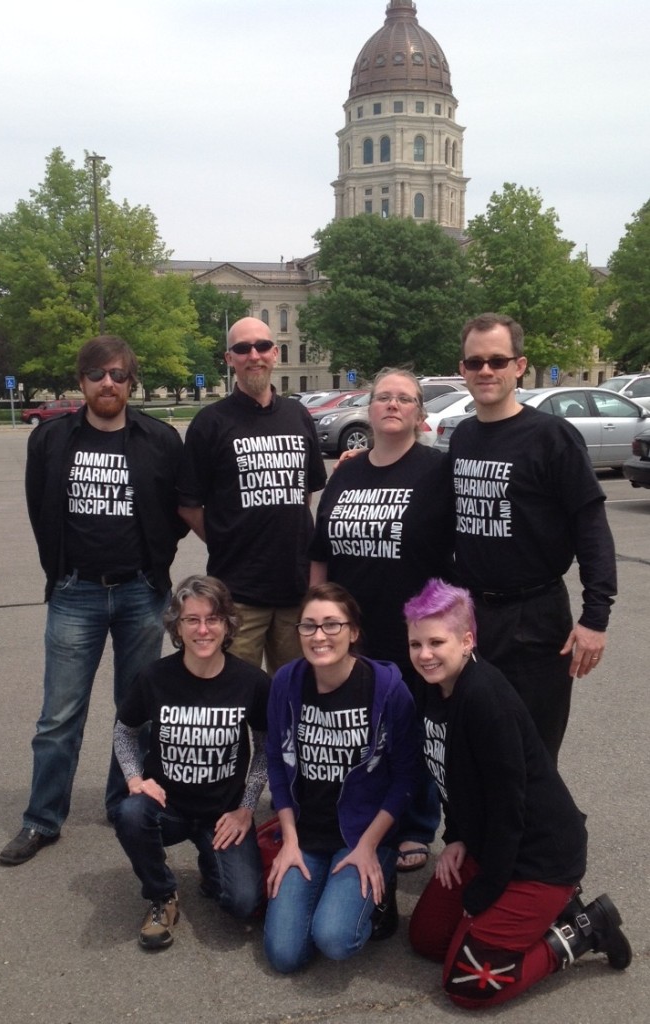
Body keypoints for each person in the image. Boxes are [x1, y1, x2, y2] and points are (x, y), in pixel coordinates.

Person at [0, 335, 187, 867]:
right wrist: (58, 573)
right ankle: (42, 819)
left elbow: (175, 513)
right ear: (81, 381)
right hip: (75, 591)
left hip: (140, 593)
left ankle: (122, 800)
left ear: (132, 382)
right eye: (99, 374)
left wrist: (155, 563)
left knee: (137, 709)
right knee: (59, 715)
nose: (109, 383)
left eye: (120, 375)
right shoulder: (53, 440)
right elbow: (40, 510)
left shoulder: (160, 439)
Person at [404, 578, 631, 1010]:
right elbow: (453, 776)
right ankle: (537, 916)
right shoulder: (433, 687)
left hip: (538, 857)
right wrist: (456, 838)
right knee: (428, 939)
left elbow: (511, 810)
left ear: (468, 639)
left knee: (466, 984)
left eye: (436, 642)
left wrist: (484, 892)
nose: (425, 654)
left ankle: (582, 928)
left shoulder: (486, 698)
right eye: (416, 644)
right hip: (490, 843)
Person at [450, 313, 616, 760]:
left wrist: (595, 618)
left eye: (497, 360)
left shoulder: (551, 437)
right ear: (462, 369)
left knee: (534, 751)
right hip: (474, 618)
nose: (486, 370)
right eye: (476, 362)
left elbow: (592, 528)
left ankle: (550, 831)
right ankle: (485, 831)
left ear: (519, 366)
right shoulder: (463, 436)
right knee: (480, 743)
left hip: (535, 619)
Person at [310, 368, 453, 872]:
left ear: (419, 412)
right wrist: (318, 617)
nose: (393, 405)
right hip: (352, 634)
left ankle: (415, 824)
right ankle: (364, 813)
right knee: (360, 731)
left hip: (412, 635)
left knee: (411, 730)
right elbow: (321, 550)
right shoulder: (346, 472)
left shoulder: (439, 471)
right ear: (368, 409)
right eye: (383, 397)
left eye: (405, 398)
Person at [264, 582, 419, 973]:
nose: (319, 636)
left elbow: (405, 778)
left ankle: (376, 902)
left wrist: (369, 845)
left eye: (332, 625)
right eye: (309, 626)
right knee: (285, 956)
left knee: (334, 940)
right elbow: (277, 765)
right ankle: (330, 898)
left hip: (363, 835)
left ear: (353, 632)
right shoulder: (285, 682)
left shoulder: (387, 690)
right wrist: (290, 841)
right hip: (307, 834)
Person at [112, 575, 269, 950]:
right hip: (167, 807)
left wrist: (246, 810)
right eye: (191, 620)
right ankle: (162, 896)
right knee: (130, 813)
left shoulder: (252, 681)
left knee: (243, 904)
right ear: (177, 627)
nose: (203, 629)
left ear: (228, 625)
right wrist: (135, 779)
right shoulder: (154, 677)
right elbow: (124, 731)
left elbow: (266, 749)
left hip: (222, 815)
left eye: (213, 619)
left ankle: (211, 866)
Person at [177, 316, 326, 675]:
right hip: (237, 594)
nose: (253, 355)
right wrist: (226, 539)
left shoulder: (297, 415)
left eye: (261, 346)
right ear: (230, 359)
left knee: (293, 693)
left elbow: (304, 493)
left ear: (275, 353)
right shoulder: (210, 423)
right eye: (242, 349)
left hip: (295, 588)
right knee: (234, 697)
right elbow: (188, 505)